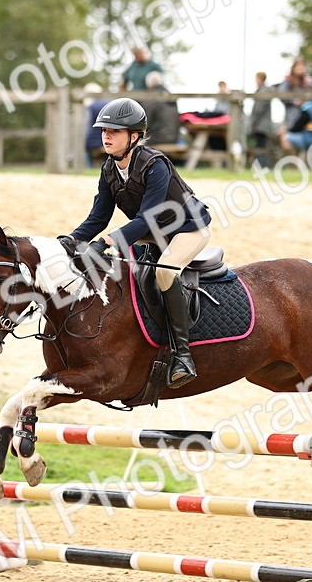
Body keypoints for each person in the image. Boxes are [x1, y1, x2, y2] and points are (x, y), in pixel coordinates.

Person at [66, 98, 212, 389]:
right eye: (104, 130)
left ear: (135, 136)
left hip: (187, 227)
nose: (106, 135)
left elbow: (147, 218)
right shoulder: (109, 168)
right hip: (151, 231)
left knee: (165, 271)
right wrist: (71, 240)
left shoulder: (155, 165)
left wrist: (106, 242)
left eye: (115, 131)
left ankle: (183, 355)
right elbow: (98, 217)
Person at [139, 71, 180, 146]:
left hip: (157, 138)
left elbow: (145, 120)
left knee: (133, 143)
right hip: (174, 138)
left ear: (148, 84)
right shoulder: (170, 96)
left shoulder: (153, 97)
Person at [248, 71, 275, 167]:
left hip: (261, 125)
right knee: (262, 146)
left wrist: (253, 123)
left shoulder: (263, 92)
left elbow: (258, 109)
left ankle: (261, 166)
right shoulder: (265, 91)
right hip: (263, 125)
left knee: (261, 147)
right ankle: (262, 166)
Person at [83, 83, 109, 168]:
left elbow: (87, 126)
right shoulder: (110, 103)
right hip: (111, 140)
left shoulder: (90, 107)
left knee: (84, 148)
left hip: (95, 143)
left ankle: (89, 167)